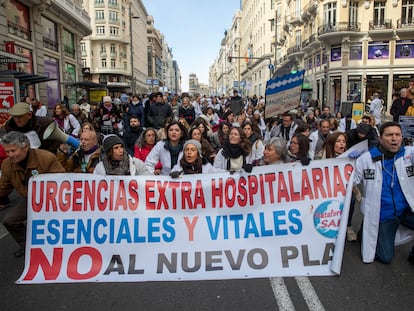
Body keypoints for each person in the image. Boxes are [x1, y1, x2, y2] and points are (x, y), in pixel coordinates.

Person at [353, 122, 414, 264]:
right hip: (383, 215)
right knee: (385, 257)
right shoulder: (366, 159)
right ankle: (366, 232)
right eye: (389, 135)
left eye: (397, 135)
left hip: (406, 210)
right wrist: (345, 162)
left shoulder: (409, 154)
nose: (394, 138)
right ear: (380, 138)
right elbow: (349, 181)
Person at [0, 131, 65, 257]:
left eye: (13, 151)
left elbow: (61, 182)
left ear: (25, 147)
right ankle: (28, 247)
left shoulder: (46, 158)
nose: (10, 155)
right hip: (30, 200)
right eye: (7, 152)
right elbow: (3, 188)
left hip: (53, 199)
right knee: (9, 221)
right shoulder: (7, 165)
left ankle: (60, 246)